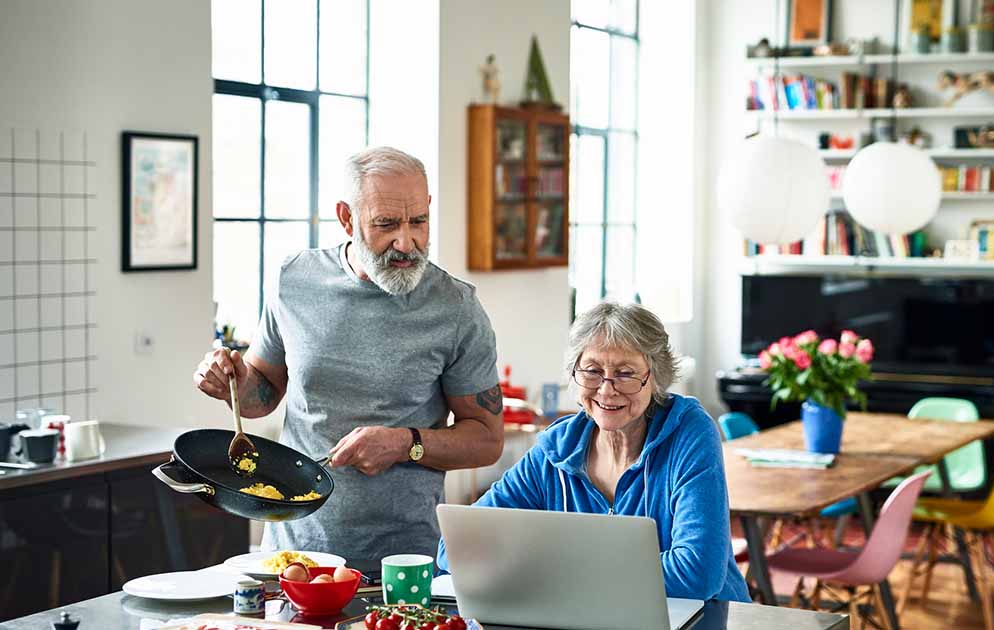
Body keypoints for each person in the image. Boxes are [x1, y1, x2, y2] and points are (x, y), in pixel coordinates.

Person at [194, 147, 505, 566]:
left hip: (403, 561)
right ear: (346, 218)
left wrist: (405, 444)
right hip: (292, 555)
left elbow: (487, 440)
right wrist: (230, 382)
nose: (406, 242)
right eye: (386, 224)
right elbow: (262, 396)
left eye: (419, 222)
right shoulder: (294, 279)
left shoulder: (456, 308)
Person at [437, 302, 751, 602]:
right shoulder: (557, 449)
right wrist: (580, 575)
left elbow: (697, 573)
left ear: (655, 378)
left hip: (703, 619)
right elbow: (455, 547)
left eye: (626, 373)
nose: (606, 389)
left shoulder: (689, 432)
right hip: (593, 616)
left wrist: (555, 570)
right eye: (591, 371)